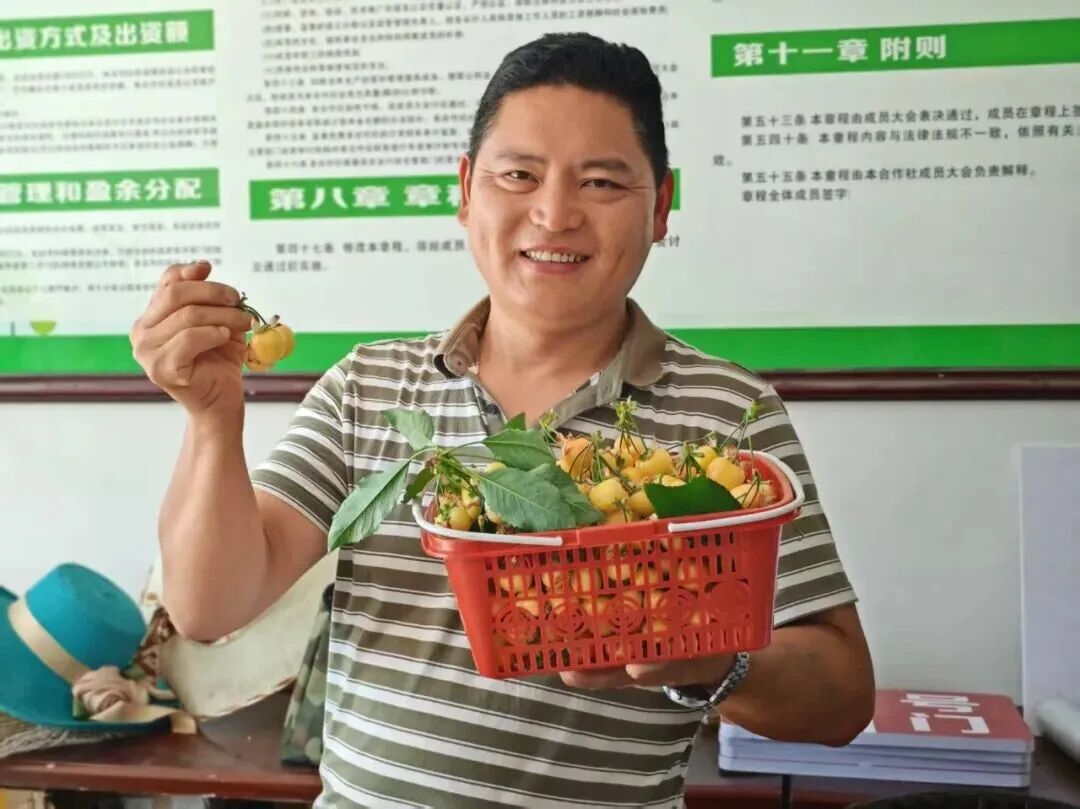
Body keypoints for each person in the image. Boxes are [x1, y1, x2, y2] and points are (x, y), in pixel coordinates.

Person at [130, 32, 875, 808]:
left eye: (601, 182)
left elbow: (843, 697)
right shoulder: (368, 389)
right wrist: (212, 419)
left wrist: (712, 662)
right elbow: (210, 606)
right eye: (519, 175)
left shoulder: (727, 416)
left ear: (660, 207)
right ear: (466, 191)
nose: (554, 214)